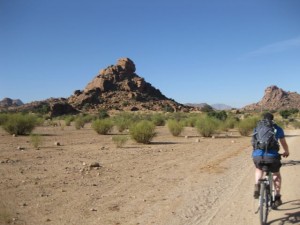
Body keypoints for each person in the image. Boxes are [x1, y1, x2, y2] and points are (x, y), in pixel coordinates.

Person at [252, 112, 289, 207]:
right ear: (272, 119)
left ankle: (257, 185)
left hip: (258, 156)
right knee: (276, 174)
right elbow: (283, 142)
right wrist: (286, 151)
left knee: (258, 169)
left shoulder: (257, 128)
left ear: (263, 119)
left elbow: (253, 142)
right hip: (272, 157)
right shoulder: (277, 128)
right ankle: (277, 197)